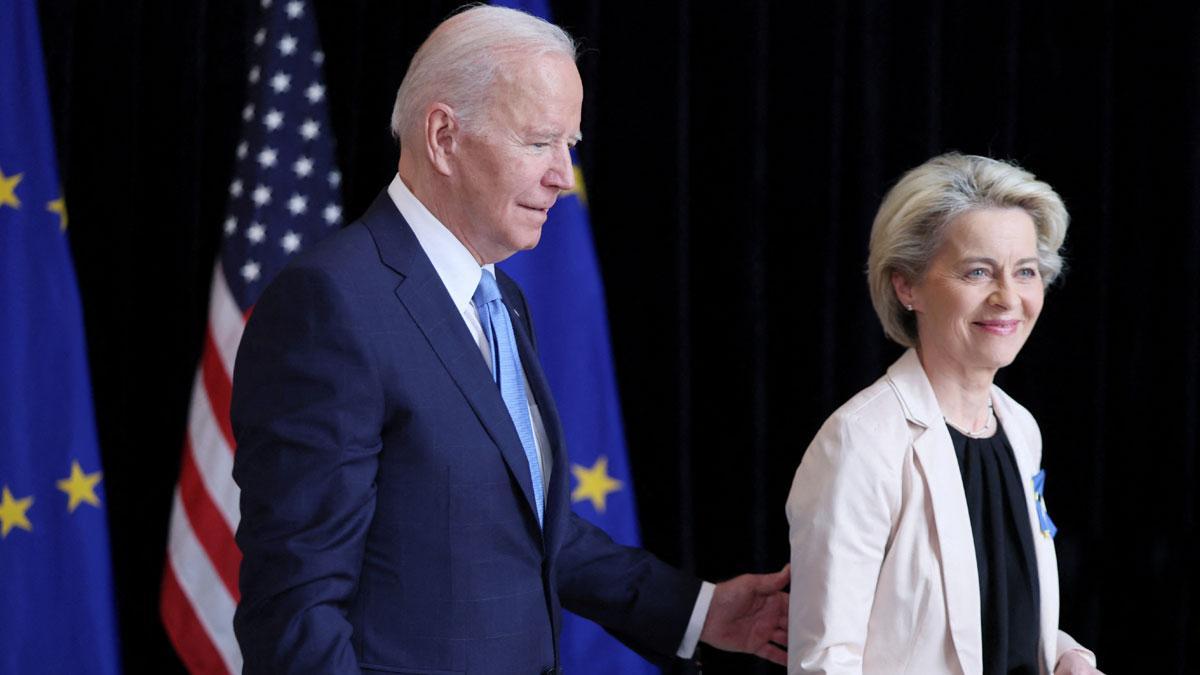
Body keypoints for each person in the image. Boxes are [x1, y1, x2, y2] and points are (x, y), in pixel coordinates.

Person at [231, 6, 788, 674]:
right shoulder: (331, 305)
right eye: (539, 142)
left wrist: (697, 609)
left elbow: (519, 523)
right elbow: (296, 605)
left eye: (570, 144)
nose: (564, 172)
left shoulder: (502, 300)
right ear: (443, 136)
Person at [785, 153, 1102, 675]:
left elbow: (993, 617)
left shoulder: (1020, 429)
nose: (1008, 298)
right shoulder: (860, 442)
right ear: (906, 286)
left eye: (1025, 272)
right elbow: (825, 663)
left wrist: (1066, 656)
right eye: (978, 271)